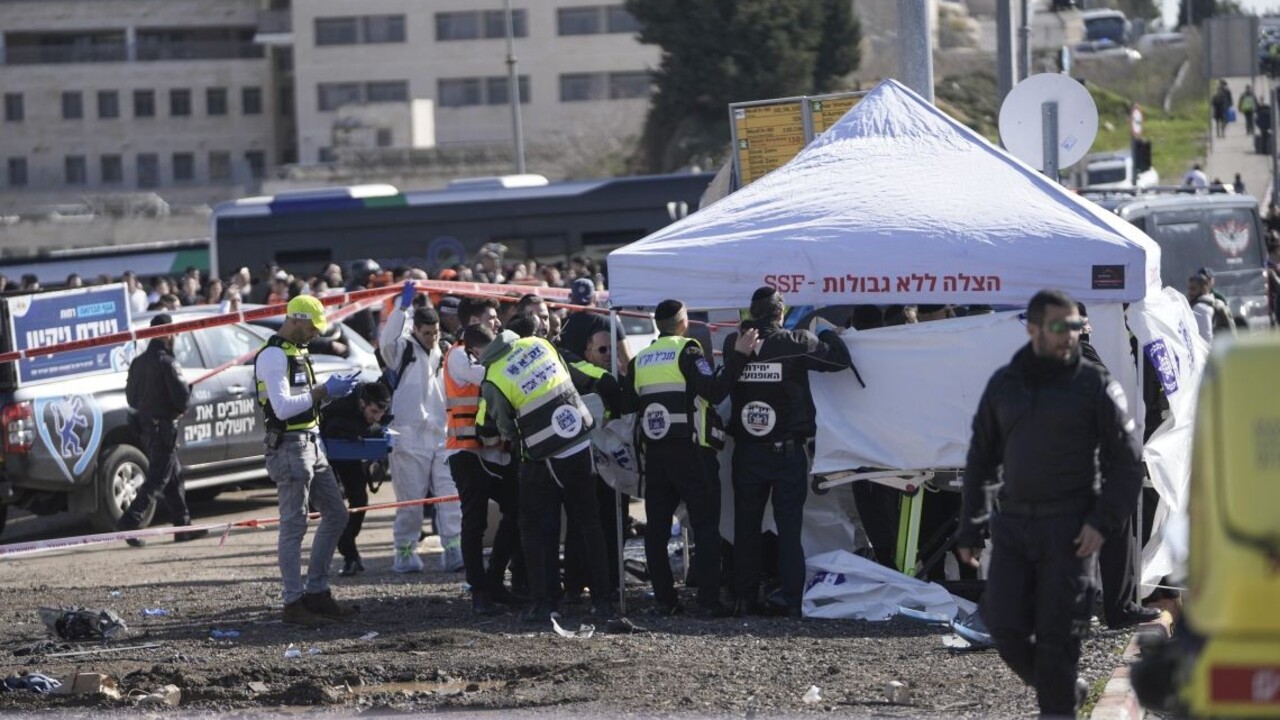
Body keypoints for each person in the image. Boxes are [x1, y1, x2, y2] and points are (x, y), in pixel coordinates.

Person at [956, 289, 1143, 718]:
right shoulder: (1005, 384)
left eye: (1075, 327)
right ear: (1033, 329)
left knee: (1058, 636)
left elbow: (1127, 462)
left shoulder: (1095, 384)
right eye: (1059, 327)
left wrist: (1102, 520)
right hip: (1016, 527)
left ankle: (1058, 703)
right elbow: (981, 458)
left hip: (1070, 529)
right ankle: (1061, 688)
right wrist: (970, 527)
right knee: (1003, 627)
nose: (1069, 336)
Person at [723, 287, 853, 617]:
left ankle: (745, 597)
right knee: (789, 528)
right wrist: (824, 330)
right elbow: (840, 360)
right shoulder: (796, 342)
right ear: (780, 313)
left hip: (748, 451)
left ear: (751, 313)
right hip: (786, 451)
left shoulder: (733, 344)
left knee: (746, 527)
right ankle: (792, 598)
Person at [626, 299, 756, 617]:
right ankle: (708, 601)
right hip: (692, 451)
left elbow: (628, 405)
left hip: (655, 454)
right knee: (706, 526)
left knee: (656, 529)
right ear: (684, 321)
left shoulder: (640, 360)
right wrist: (739, 356)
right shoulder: (688, 350)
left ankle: (665, 600)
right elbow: (714, 391)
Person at [476, 325, 614, 622]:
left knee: (535, 530)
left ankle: (544, 602)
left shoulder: (493, 377)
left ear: (477, 352)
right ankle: (603, 600)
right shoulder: (540, 344)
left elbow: (505, 427)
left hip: (540, 456)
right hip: (578, 440)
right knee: (589, 524)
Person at [254, 295, 360, 627]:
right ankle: (293, 602)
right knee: (294, 525)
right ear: (297, 320)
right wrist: (322, 391)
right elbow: (283, 408)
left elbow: (301, 405)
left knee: (336, 514)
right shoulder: (273, 355)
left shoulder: (297, 351)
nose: (316, 334)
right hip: (289, 446)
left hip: (311, 443)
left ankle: (316, 592)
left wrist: (329, 396)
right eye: (312, 327)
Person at [379, 284, 463, 573]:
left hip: (442, 435)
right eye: (426, 333)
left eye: (435, 332)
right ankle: (404, 550)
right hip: (408, 437)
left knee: (450, 496)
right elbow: (386, 342)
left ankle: (454, 548)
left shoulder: (447, 350)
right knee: (411, 501)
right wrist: (401, 310)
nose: (431, 338)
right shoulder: (402, 350)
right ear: (415, 329)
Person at [446, 318, 523, 615]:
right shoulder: (456, 356)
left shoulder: (481, 356)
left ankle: (494, 581)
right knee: (474, 522)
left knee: (516, 508)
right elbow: (487, 376)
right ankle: (479, 592)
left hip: (494, 452)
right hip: (465, 452)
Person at [117, 314, 208, 546]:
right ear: (167, 333)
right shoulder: (167, 362)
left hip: (146, 427)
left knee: (174, 477)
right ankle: (130, 520)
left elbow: (132, 398)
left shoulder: (138, 362)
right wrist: (185, 393)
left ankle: (183, 525)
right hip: (164, 429)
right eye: (173, 332)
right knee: (158, 478)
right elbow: (182, 401)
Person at [320, 381, 392, 577]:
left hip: (348, 449)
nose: (377, 416)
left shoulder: (379, 402)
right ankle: (349, 554)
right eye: (374, 411)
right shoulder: (344, 402)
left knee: (360, 499)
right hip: (325, 451)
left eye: (381, 412)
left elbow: (376, 425)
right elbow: (333, 425)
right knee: (335, 507)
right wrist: (371, 429)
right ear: (362, 403)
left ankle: (348, 548)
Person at [1186, 268, 1236, 342]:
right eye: (1189, 288)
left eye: (1193, 289)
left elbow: (1206, 339)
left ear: (1204, 288)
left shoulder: (1200, 308)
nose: (1190, 292)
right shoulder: (1213, 300)